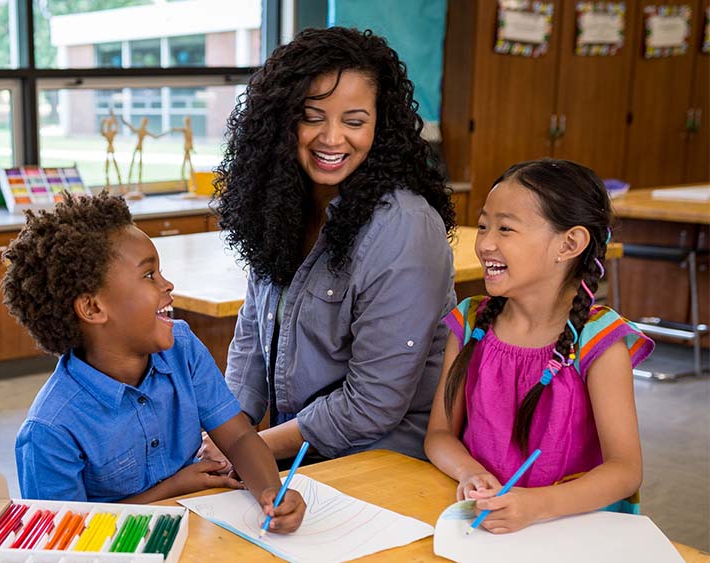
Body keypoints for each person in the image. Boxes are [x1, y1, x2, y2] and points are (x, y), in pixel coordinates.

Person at [203, 27, 457, 467]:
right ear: (282, 121)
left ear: (381, 127)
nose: (332, 138)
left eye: (354, 122)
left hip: (380, 461)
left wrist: (248, 449)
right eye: (312, 116)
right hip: (296, 447)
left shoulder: (404, 229)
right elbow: (251, 335)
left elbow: (371, 406)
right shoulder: (282, 205)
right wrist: (228, 430)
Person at [2, 193, 305, 533]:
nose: (167, 284)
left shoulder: (182, 347)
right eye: (149, 275)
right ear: (92, 309)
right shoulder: (50, 431)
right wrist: (172, 488)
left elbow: (238, 439)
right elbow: (66, 535)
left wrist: (271, 492)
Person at [424, 159, 654, 534]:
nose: (485, 243)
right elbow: (439, 435)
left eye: (505, 229)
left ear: (569, 243)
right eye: (483, 226)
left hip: (575, 531)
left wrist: (535, 506)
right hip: (488, 526)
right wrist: (471, 474)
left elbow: (625, 470)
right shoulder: (469, 322)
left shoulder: (599, 341)